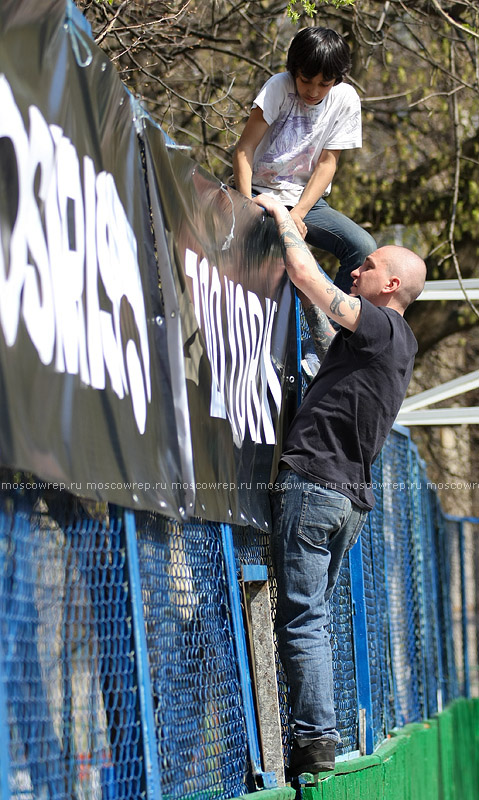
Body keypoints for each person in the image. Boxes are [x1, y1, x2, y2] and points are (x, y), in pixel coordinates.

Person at [252, 193, 426, 778]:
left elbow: (307, 275)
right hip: (345, 498)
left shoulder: (378, 325)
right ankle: (317, 736)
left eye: (368, 267)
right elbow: (327, 328)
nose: (357, 270)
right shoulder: (393, 345)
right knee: (313, 616)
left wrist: (282, 215)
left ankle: (314, 740)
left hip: (315, 486)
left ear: (391, 283)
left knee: (301, 617)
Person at [233, 26, 376, 295]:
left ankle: (336, 328)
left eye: (324, 84)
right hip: (259, 193)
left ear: (337, 79)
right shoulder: (278, 86)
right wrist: (245, 207)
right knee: (267, 262)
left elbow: (327, 163)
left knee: (363, 247)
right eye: (306, 80)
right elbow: (244, 149)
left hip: (306, 202)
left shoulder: (346, 100)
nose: (313, 91)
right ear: (294, 70)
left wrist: (298, 212)